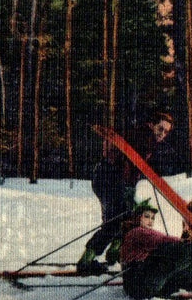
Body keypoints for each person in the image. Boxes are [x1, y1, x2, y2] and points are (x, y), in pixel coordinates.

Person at [76, 111, 177, 275]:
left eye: (166, 132)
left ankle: (113, 254)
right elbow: (120, 156)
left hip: (115, 181)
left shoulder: (146, 138)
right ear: (151, 125)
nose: (162, 134)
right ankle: (86, 262)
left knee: (125, 218)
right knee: (115, 222)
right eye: (160, 129)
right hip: (110, 179)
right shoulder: (142, 136)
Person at [120, 201, 192, 300]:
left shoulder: (142, 234)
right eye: (146, 216)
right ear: (137, 217)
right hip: (140, 283)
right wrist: (190, 244)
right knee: (177, 249)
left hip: (148, 284)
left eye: (152, 218)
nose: (150, 220)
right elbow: (162, 240)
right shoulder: (136, 232)